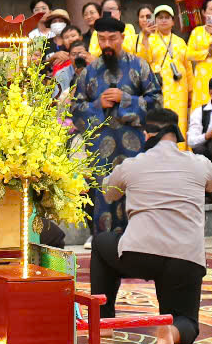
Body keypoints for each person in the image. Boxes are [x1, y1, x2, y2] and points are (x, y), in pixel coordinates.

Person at [87, 109, 212, 344]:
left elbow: (108, 193)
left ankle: (103, 322)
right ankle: (172, 331)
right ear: (176, 132)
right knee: (186, 320)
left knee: (101, 243)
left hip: (139, 253)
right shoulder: (199, 163)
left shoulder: (133, 164)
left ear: (146, 134)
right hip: (185, 257)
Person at [67, 17, 163, 232]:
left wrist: (125, 99)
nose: (107, 44)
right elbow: (75, 111)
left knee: (136, 191)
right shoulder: (90, 72)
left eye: (112, 39)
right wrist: (97, 104)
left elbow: (157, 103)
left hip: (135, 144)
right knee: (104, 193)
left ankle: (142, 242)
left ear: (122, 38)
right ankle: (104, 244)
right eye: (102, 39)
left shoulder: (140, 66)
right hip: (101, 146)